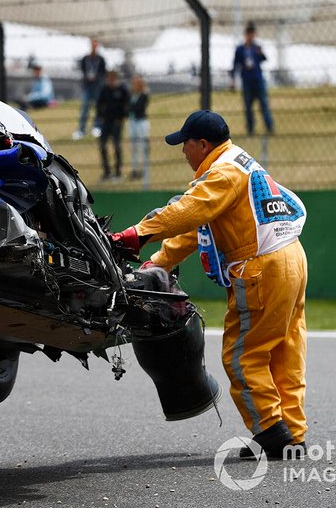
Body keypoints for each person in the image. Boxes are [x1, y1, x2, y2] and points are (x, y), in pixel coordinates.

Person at [110, 110, 309, 460]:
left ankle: (271, 431)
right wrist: (159, 262)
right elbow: (195, 228)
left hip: (261, 266)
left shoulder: (222, 173)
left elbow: (187, 211)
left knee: (242, 355)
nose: (182, 152)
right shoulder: (240, 163)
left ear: (202, 145)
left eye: (184, 144)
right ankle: (292, 432)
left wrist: (137, 234)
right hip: (291, 258)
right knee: (284, 351)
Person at [231, 22, 274, 136]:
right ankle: (250, 129)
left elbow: (264, 59)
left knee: (264, 105)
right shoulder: (240, 49)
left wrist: (261, 53)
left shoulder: (257, 48)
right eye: (249, 34)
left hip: (258, 80)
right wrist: (233, 79)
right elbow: (235, 64)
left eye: (252, 34)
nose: (251, 36)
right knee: (248, 107)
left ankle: (270, 127)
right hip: (247, 81)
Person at [96, 70, 129, 182]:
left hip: (117, 122)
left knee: (116, 146)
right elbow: (99, 104)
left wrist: (121, 117)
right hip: (106, 122)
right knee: (102, 146)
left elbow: (126, 105)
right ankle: (106, 172)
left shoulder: (122, 89)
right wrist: (101, 116)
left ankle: (118, 172)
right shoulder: (104, 89)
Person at [73, 38, 106, 140]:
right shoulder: (85, 59)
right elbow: (82, 70)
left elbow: (103, 72)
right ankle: (81, 130)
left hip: (97, 86)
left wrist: (97, 77)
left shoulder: (101, 59)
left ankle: (97, 127)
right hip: (87, 86)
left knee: (98, 107)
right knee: (85, 108)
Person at [127, 74, 150, 181]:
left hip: (141, 122)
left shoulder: (144, 95)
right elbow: (127, 108)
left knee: (142, 146)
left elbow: (138, 108)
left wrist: (130, 108)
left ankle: (144, 169)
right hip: (132, 122)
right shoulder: (130, 95)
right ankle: (135, 169)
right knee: (134, 147)